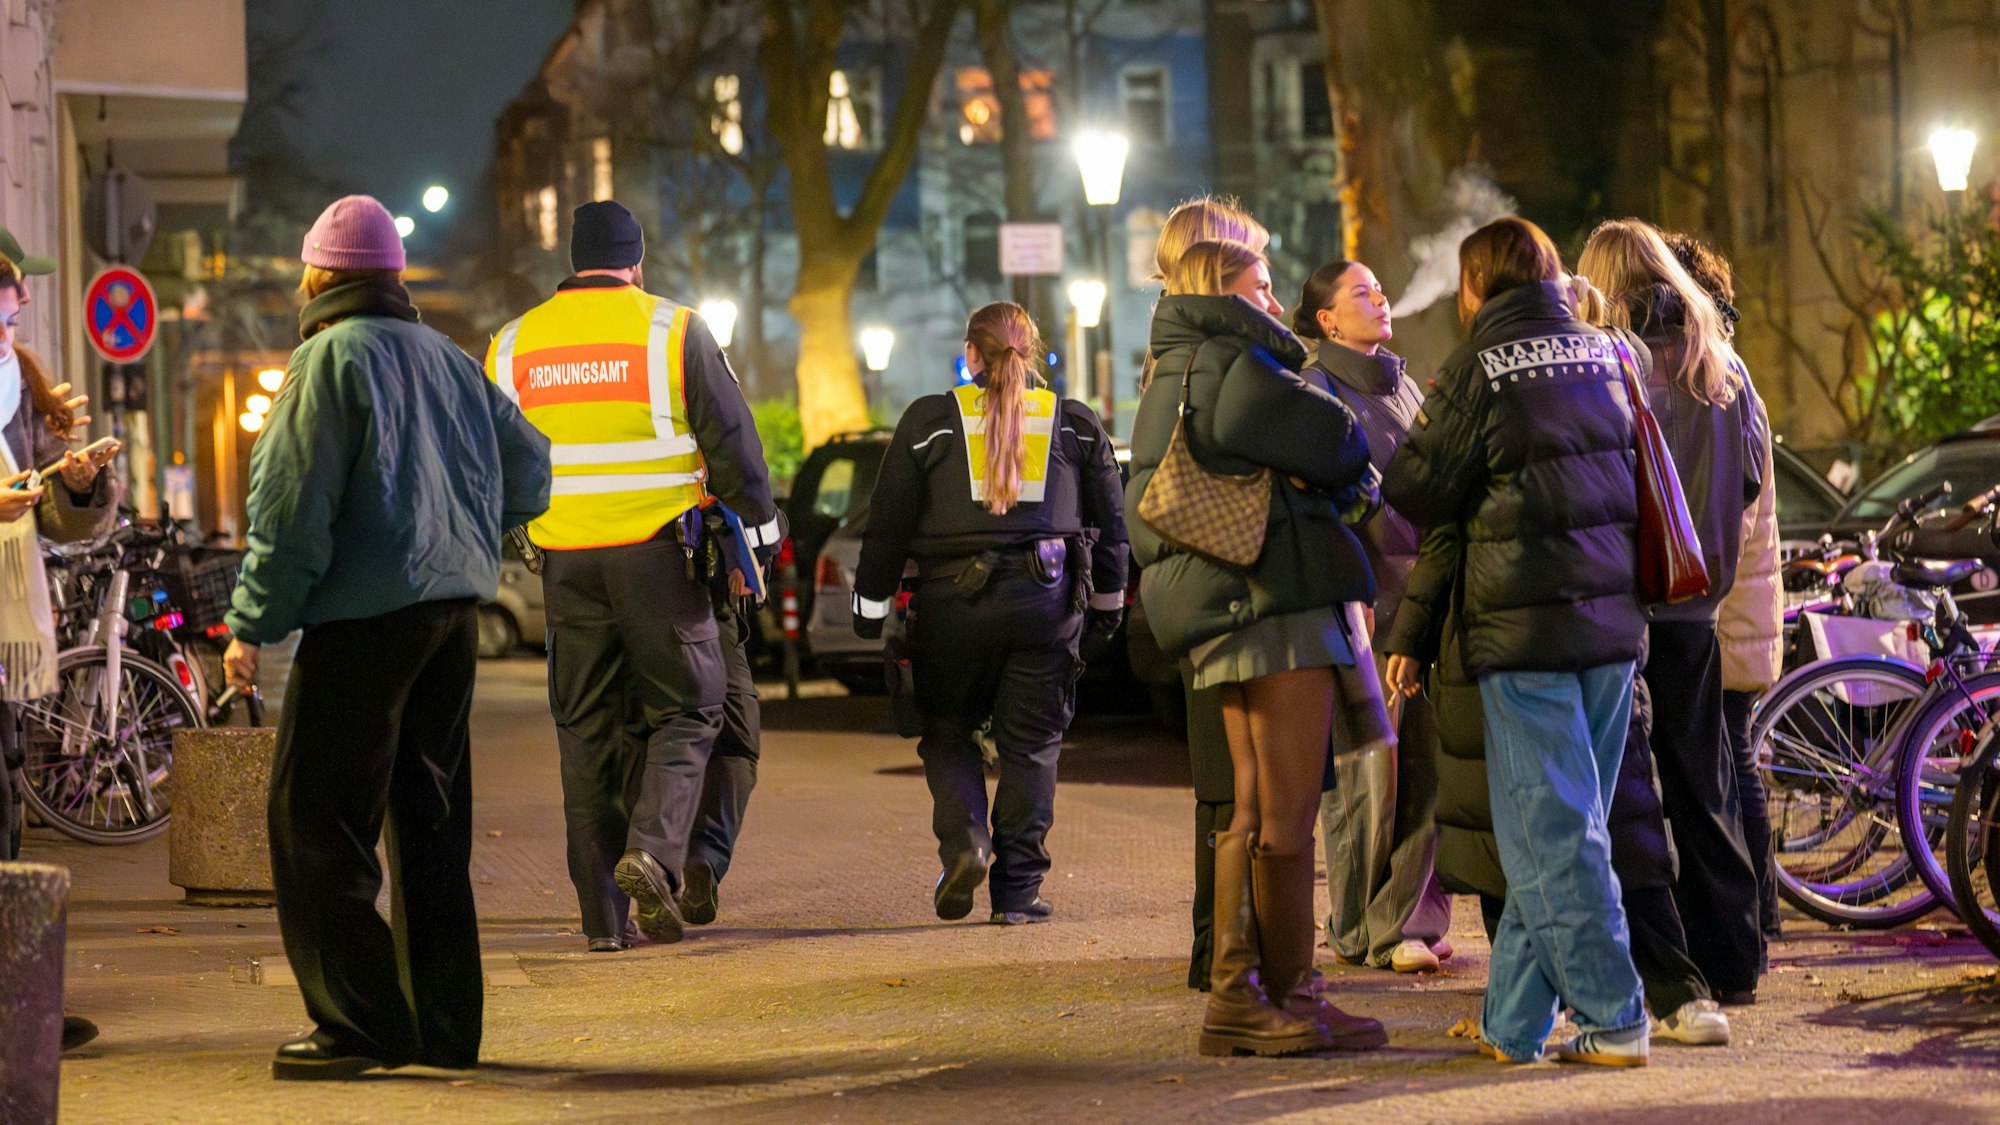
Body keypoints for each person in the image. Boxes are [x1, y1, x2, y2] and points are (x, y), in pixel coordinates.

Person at [223, 195, 552, 1080]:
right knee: (431, 823)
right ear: (395, 278)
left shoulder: (326, 359)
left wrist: (253, 623)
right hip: (453, 618)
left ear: (320, 276)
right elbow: (533, 464)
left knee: (313, 819)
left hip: (363, 621)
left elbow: (291, 513)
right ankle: (447, 1028)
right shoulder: (448, 360)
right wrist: (474, 530)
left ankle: (363, 1021)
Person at [1384, 217, 1649, 1067]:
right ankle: (1515, 1023)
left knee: (1556, 838)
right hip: (1611, 626)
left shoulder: (1477, 368)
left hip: (1521, 631)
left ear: (1475, 287)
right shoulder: (1610, 354)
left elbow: (1418, 487)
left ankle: (1615, 1015)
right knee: (1565, 832)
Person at [486, 199, 780, 953]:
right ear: (636, 262)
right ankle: (652, 852)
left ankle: (601, 922)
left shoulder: (511, 344)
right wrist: (762, 541)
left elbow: (492, 463)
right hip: (659, 558)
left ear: (573, 262)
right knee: (691, 710)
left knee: (585, 736)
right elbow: (738, 454)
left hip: (563, 569)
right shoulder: (672, 329)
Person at [1128, 239, 1386, 1056]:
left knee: (1252, 806)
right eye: (1262, 286)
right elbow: (1342, 443)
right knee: (1288, 810)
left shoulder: (1173, 363)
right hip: (1269, 601)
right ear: (1224, 291)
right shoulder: (1235, 358)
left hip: (1227, 603)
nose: (1274, 302)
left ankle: (1258, 991)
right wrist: (1325, 464)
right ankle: (1272, 995)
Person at [852, 302, 1126, 926]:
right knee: (1031, 748)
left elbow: (887, 526)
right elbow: (1112, 529)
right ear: (1031, 353)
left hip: (952, 608)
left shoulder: (929, 423)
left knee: (948, 733)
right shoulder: (1075, 426)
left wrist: (869, 610)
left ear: (971, 355)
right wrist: (1106, 612)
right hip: (1047, 603)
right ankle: (1017, 894)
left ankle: (967, 846)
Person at [1578, 219, 1765, 1005]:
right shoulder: (1722, 365)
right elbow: (1755, 475)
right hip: (1701, 604)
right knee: (1706, 780)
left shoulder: (1609, 365)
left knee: (1630, 793)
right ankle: (1733, 955)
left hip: (1630, 600)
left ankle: (1657, 962)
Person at [1292, 258, 1452, 975]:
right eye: (1361, 292)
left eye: (1381, 288)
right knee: (1368, 777)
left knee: (1426, 766)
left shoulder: (1403, 381)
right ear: (1326, 319)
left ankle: (1406, 919)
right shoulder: (1315, 390)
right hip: (1364, 601)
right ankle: (1359, 922)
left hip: (1420, 597)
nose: (1380, 298)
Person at [1143, 196, 1270, 991]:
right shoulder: (1211, 356)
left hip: (1193, 587)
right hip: (1226, 589)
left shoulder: (1169, 350)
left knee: (1225, 786)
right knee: (1238, 788)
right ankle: (1227, 955)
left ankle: (1218, 949)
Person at [0, 248, 120, 1055]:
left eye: (13, 317)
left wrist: (73, 483)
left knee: (6, 797)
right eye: (2, 316)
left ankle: (17, 1003)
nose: (11, 334)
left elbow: (53, 519)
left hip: (10, 624)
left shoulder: (15, 395)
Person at [1661, 230, 1784, 955]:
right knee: (1732, 755)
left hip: (1726, 597)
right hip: (1736, 591)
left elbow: (1737, 488)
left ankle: (1757, 915)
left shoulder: (1718, 371)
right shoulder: (1722, 366)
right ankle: (1755, 914)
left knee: (1732, 760)